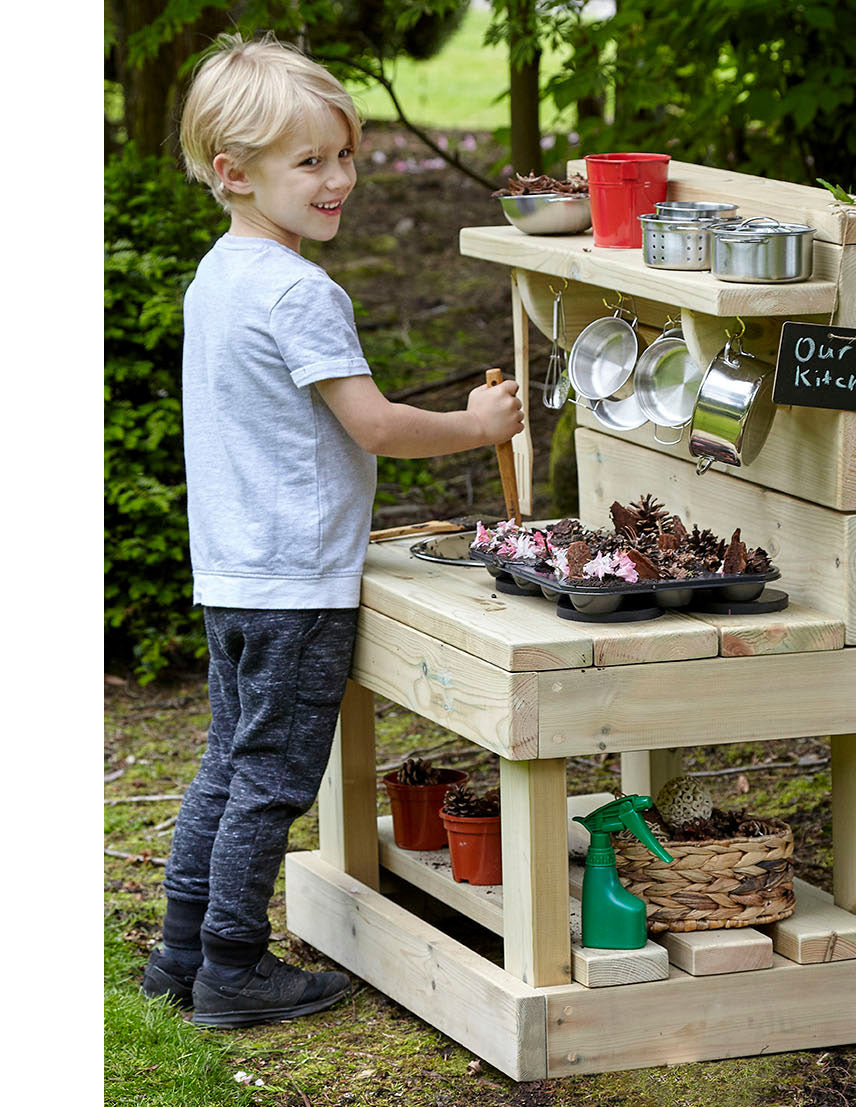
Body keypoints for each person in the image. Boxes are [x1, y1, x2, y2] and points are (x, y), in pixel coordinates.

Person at [140, 32, 523, 1028]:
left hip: (233, 573)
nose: (339, 179)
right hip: (296, 583)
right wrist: (479, 428)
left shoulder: (219, 274)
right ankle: (232, 967)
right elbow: (377, 425)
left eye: (345, 154)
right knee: (269, 779)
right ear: (233, 173)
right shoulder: (300, 290)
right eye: (310, 162)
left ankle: (178, 955)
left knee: (227, 760)